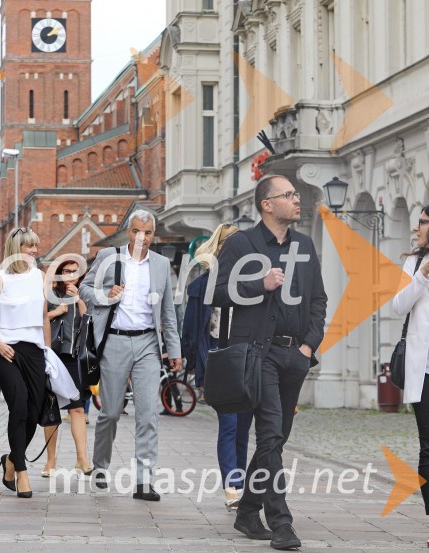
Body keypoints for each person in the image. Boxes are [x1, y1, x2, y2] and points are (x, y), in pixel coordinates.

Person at [213, 174, 327, 550]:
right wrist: (258, 285)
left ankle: (247, 510)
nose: (297, 200)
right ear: (267, 204)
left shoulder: (306, 245)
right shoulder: (241, 245)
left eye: (296, 194)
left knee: (276, 439)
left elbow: (318, 300)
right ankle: (281, 524)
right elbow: (216, 293)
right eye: (289, 195)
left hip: (294, 356)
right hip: (256, 353)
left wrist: (309, 345)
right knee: (270, 435)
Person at [80, 210, 182, 501]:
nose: (142, 238)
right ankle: (100, 469)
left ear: (153, 234)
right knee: (110, 413)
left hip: (149, 343)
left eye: (148, 233)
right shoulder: (108, 257)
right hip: (114, 342)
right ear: (129, 231)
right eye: (137, 231)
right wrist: (105, 295)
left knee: (148, 414)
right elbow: (84, 289)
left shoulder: (161, 265)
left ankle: (144, 481)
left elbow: (168, 313)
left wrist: (174, 349)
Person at [0, 227, 50, 498]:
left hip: (35, 352)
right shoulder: (0, 279)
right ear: (15, 249)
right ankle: (22, 471)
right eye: (29, 246)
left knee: (34, 411)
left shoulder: (41, 276)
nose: (34, 251)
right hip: (7, 352)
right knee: (18, 406)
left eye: (35, 246)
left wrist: (48, 353)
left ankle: (10, 460)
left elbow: (43, 319)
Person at [183, 224, 252, 510]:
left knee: (244, 428)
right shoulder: (201, 286)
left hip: (247, 360)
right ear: (220, 248)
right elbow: (191, 330)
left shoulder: (251, 283)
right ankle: (232, 487)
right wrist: (192, 363)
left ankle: (241, 481)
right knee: (230, 424)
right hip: (217, 359)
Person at [392, 203, 429, 548]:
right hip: (424, 369)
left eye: (422, 222)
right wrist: (422, 275)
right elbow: (397, 307)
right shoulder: (412, 263)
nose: (416, 227)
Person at [43, 258, 91, 477]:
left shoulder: (86, 294)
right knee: (51, 410)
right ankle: (50, 462)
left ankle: (82, 459)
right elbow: (38, 318)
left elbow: (90, 322)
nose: (71, 275)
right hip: (52, 357)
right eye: (66, 271)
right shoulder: (49, 294)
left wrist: (78, 300)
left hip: (73, 357)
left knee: (77, 408)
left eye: (75, 272)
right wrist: (56, 312)